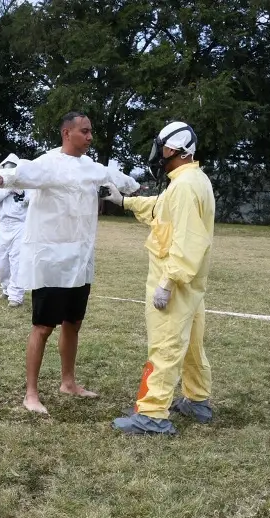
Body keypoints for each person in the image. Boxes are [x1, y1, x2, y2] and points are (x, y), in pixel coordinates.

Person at [0, 112, 140, 415]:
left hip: (80, 260)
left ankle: (69, 382)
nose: (90, 137)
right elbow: (24, 172)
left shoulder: (91, 167)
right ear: (67, 133)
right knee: (42, 326)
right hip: (50, 261)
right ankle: (31, 393)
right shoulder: (48, 164)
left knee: (73, 323)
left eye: (91, 131)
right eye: (85, 131)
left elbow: (112, 177)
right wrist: (3, 177)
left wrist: (133, 186)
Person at [105, 121, 216, 435]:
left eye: (161, 147)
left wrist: (167, 284)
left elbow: (188, 240)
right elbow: (160, 208)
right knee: (192, 346)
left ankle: (152, 414)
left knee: (165, 346)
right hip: (190, 288)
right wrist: (124, 201)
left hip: (174, 285)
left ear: (173, 149)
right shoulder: (192, 180)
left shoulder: (185, 185)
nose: (158, 154)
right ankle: (196, 400)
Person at [0, 154, 29, 308]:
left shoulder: (26, 184)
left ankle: (16, 296)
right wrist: (9, 186)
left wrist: (19, 190)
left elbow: (30, 199)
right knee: (1, 260)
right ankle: (6, 289)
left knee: (17, 261)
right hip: (3, 225)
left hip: (21, 225)